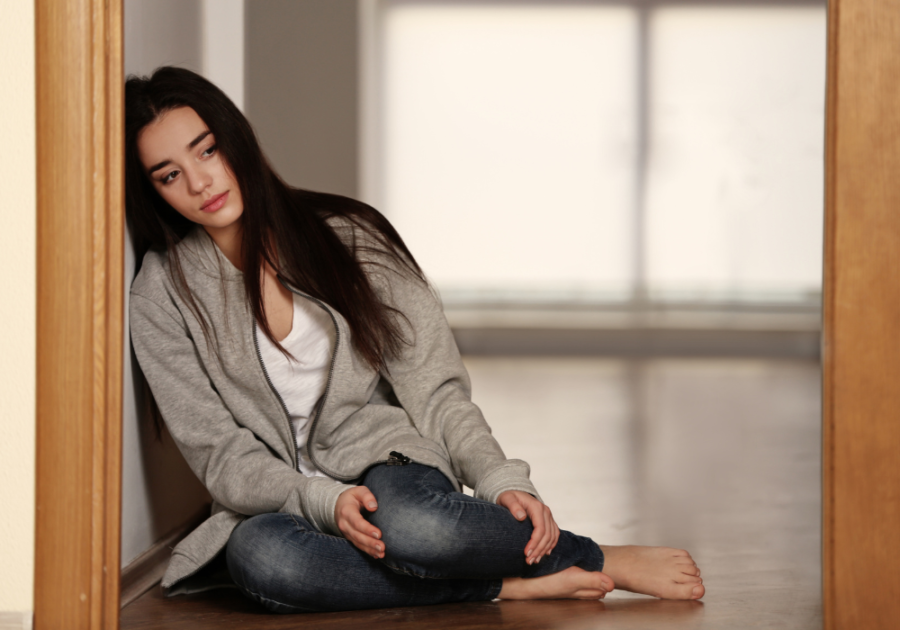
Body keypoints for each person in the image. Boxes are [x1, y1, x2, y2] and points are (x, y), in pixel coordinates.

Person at [125, 66, 704, 614]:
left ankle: (595, 556)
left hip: (388, 464)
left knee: (419, 528)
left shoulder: (350, 237)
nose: (200, 182)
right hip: (279, 499)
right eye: (170, 174)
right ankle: (499, 586)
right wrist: (317, 498)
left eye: (207, 149)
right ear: (155, 192)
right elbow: (219, 452)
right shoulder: (161, 294)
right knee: (264, 561)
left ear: (236, 141)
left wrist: (498, 475)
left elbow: (435, 388)